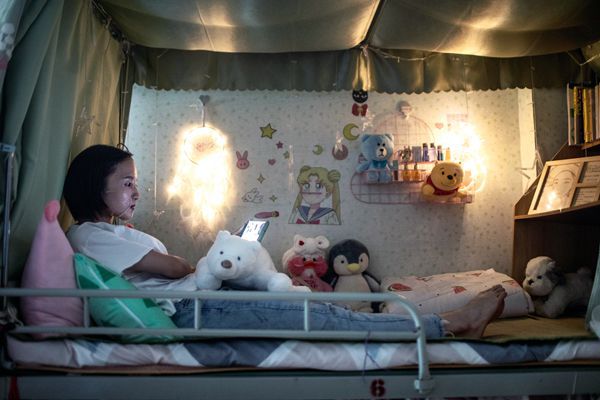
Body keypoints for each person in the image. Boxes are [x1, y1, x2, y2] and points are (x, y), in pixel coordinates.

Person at [63, 144, 507, 339]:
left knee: (316, 307)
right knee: (320, 319)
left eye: (134, 182)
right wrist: (200, 264)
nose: (135, 191)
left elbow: (176, 267)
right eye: (126, 183)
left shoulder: (118, 233)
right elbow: (174, 269)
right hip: (190, 308)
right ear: (92, 186)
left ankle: (441, 322)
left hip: (200, 297)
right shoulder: (90, 235)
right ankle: (449, 325)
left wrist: (220, 259)